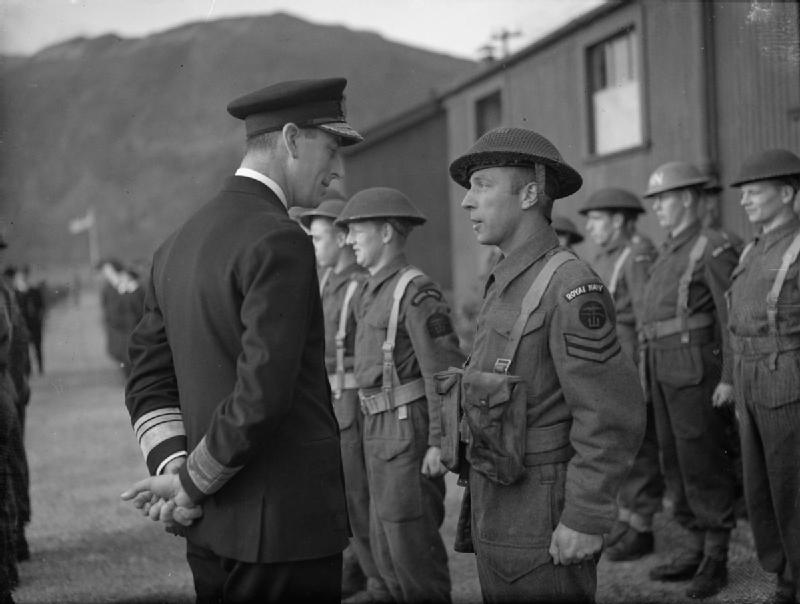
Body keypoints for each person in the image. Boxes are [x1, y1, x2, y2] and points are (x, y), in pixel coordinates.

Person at [120, 77, 363, 603]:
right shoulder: (280, 237)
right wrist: (187, 485)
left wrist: (176, 469)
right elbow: (262, 395)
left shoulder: (175, 244)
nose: (338, 170)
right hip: (282, 533)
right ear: (293, 139)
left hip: (210, 525)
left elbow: (145, 378)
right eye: (332, 147)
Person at [449, 127, 645, 603]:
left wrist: (585, 516)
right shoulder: (505, 278)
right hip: (501, 495)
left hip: (543, 509)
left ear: (531, 194)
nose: (466, 202)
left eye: (482, 185)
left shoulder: (570, 285)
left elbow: (608, 415)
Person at [336, 187, 465, 603]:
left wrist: (440, 442)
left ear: (388, 232)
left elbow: (444, 371)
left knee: (412, 550)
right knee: (384, 543)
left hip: (408, 433)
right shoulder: (372, 290)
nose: (350, 240)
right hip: (377, 429)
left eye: (357, 231)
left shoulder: (416, 292)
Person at [639, 161, 738, 599]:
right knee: (675, 460)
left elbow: (728, 316)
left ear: (687, 199)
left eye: (663, 199)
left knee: (702, 462)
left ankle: (716, 556)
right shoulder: (670, 249)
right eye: (655, 200)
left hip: (697, 369)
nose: (657, 208)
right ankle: (695, 547)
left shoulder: (711, 246)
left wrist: (730, 377)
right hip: (662, 367)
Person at [298, 199, 389, 603]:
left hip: (352, 402)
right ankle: (357, 569)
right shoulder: (324, 282)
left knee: (359, 495)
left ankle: (379, 583)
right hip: (329, 402)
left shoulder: (359, 287)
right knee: (341, 496)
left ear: (340, 238)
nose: (313, 246)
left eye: (318, 238)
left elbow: (372, 353)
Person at [725, 149, 800, 604]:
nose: (746, 201)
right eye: (744, 194)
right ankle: (782, 572)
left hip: (787, 376)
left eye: (755, 192)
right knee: (760, 485)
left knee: (792, 483)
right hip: (749, 376)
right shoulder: (753, 248)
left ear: (788, 193)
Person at [579, 187, 663, 561]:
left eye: (596, 219)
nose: (591, 227)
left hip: (634, 366)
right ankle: (628, 519)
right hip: (615, 366)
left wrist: (644, 378)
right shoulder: (608, 256)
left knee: (641, 448)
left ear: (618, 220)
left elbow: (647, 320)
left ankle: (643, 527)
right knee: (622, 446)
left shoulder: (637, 254)